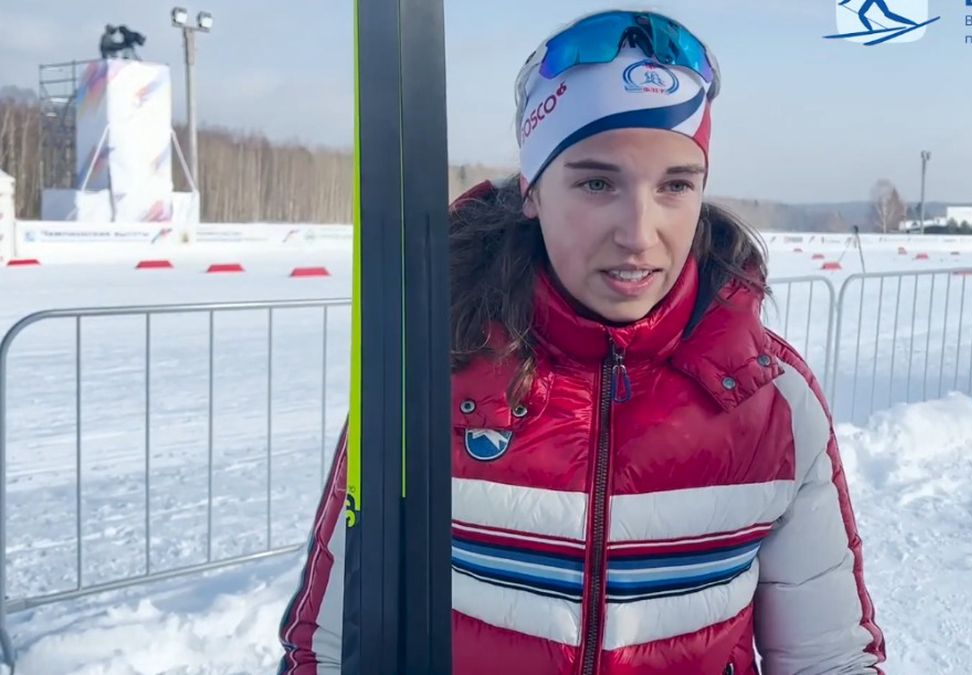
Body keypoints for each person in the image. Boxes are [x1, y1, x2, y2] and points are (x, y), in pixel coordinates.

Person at [277, 9, 886, 674]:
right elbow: (329, 643)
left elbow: (830, 658)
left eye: (675, 185)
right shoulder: (428, 370)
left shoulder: (772, 401)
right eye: (597, 182)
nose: (639, 233)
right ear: (533, 191)